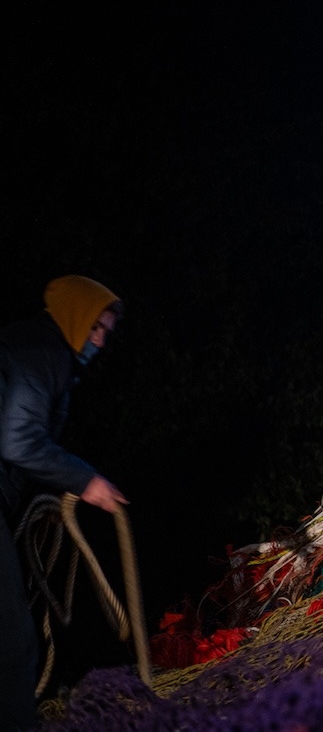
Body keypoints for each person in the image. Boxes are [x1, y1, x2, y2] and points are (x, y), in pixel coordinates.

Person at [1, 275, 129, 729]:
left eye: (106, 333)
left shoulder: (36, 349)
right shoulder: (42, 352)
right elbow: (17, 441)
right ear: (75, 316)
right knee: (12, 641)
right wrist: (85, 480)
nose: (99, 340)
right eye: (96, 326)